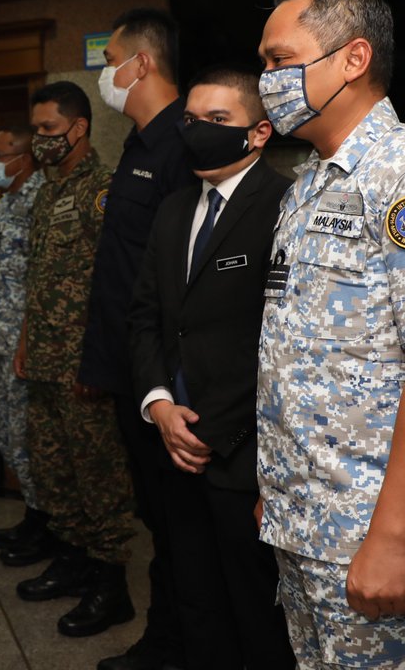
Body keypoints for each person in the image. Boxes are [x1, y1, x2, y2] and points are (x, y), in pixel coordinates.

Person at [254, 0, 405, 668]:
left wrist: (389, 534)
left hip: (367, 526)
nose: (267, 81)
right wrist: (276, 491)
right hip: (303, 519)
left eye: (278, 60)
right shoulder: (310, 183)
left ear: (352, 59)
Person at [129, 66, 294, 670]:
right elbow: (147, 316)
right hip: (175, 449)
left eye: (218, 121)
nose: (199, 132)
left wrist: (213, 431)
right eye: (192, 121)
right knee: (194, 601)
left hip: (244, 456)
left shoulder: (284, 203)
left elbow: (283, 342)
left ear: (258, 133)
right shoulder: (174, 208)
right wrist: (160, 406)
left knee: (257, 613)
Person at [81, 8, 195, 670]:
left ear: (142, 64)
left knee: (179, 522)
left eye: (110, 59)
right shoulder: (138, 144)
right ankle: (168, 637)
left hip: (165, 377)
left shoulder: (183, 145)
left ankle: (178, 645)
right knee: (158, 518)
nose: (106, 74)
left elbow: (178, 280)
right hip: (131, 370)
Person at [14, 81, 135, 638]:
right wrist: (23, 343)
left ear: (78, 128)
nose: (39, 141)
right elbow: (40, 276)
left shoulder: (101, 191)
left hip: (82, 365)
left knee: (98, 475)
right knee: (54, 468)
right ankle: (73, 558)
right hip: (43, 357)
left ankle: (111, 583)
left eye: (47, 130)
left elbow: (114, 286)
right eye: (35, 131)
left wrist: (99, 360)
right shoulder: (46, 191)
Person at [0, 125, 48, 564]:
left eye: (3, 153)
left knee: (26, 437)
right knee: (5, 431)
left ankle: (44, 523)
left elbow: (38, 280)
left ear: (25, 157)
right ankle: (31, 514)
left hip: (21, 342)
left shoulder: (39, 198)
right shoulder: (6, 201)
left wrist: (25, 340)